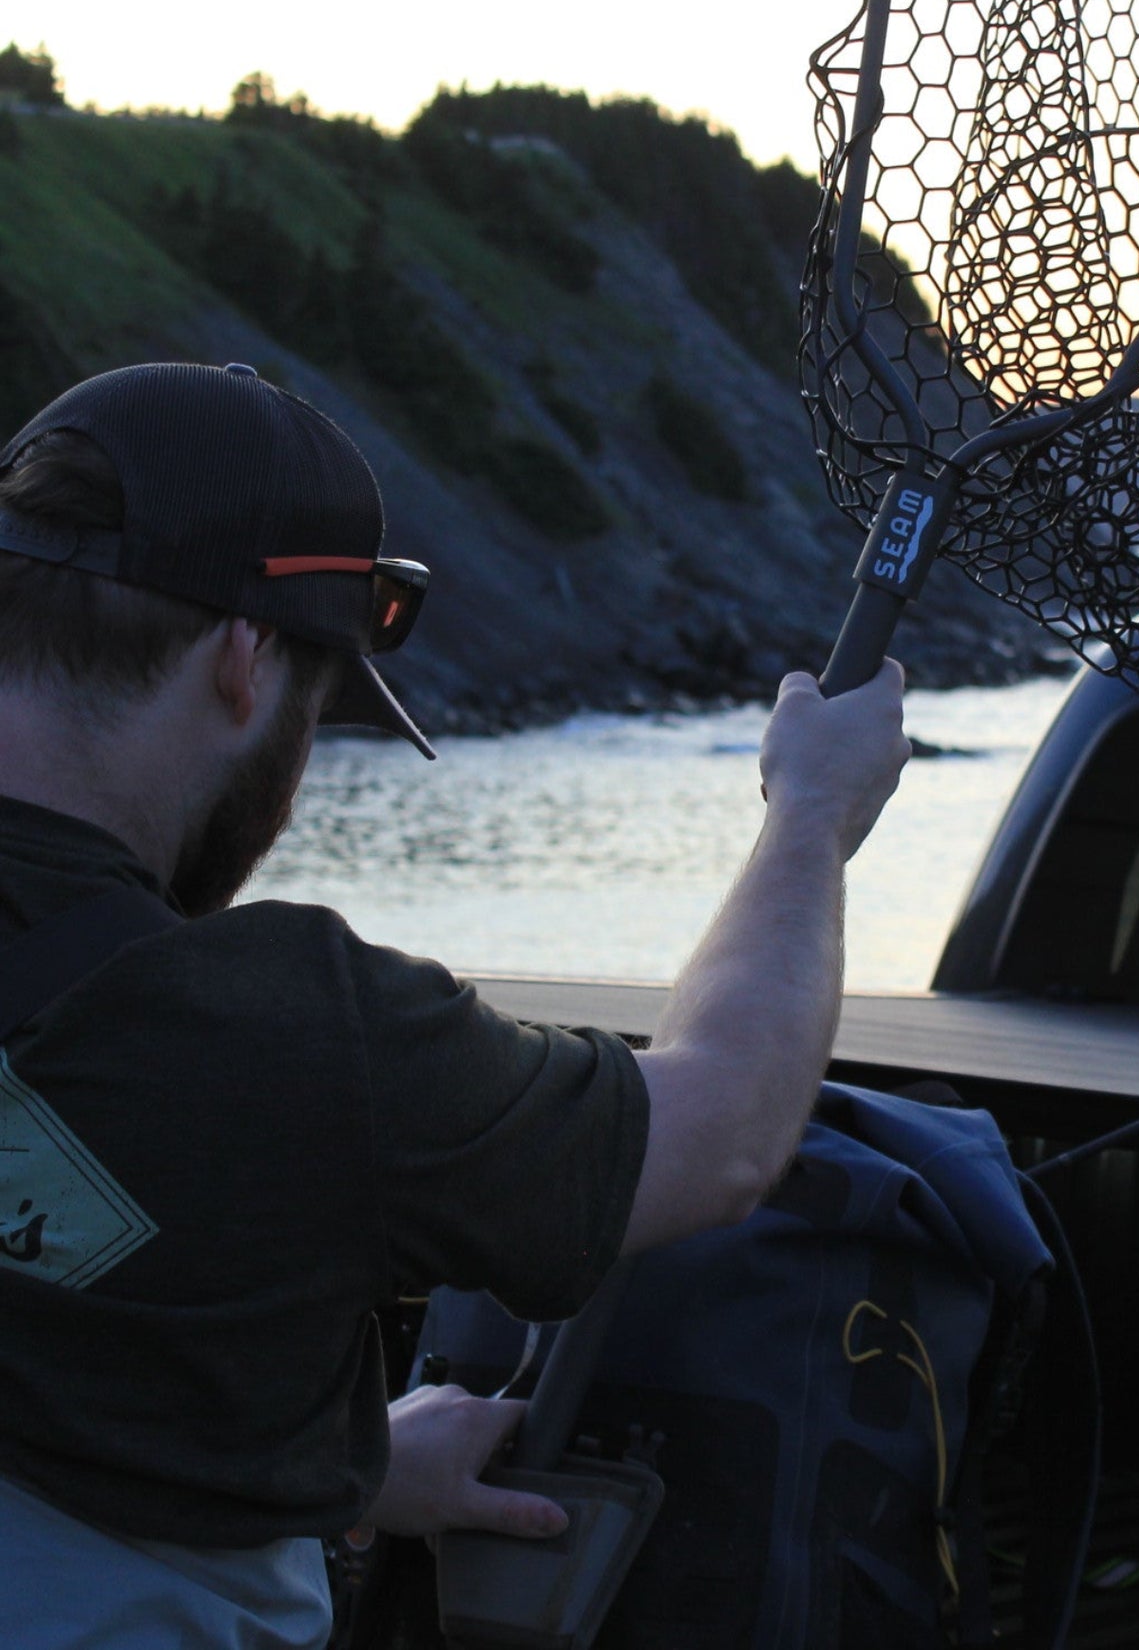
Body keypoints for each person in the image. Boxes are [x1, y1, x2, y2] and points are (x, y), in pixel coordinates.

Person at [0, 361, 909, 1647]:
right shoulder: (288, 1030)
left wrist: (352, 1468)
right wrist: (813, 815)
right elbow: (721, 1130)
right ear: (246, 663)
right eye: (317, 710)